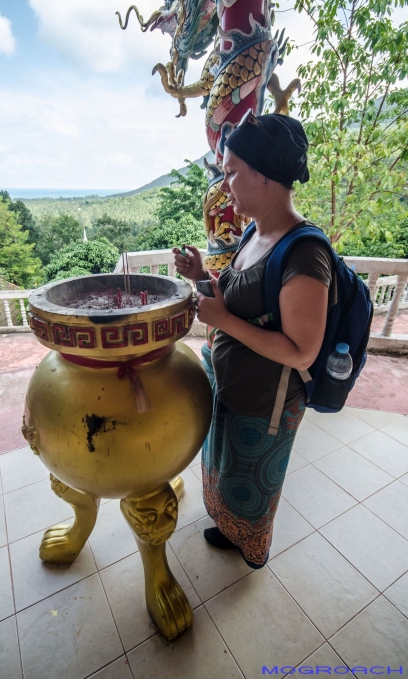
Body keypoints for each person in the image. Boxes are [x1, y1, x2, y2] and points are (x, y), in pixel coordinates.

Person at [173, 112, 334, 568]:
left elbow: (302, 349)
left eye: (230, 172)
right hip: (235, 387)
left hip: (268, 403)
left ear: (263, 174)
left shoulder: (305, 252)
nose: (225, 185)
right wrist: (202, 275)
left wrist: (221, 318)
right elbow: (241, 298)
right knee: (227, 470)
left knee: (254, 483)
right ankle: (230, 527)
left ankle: (253, 546)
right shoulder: (254, 232)